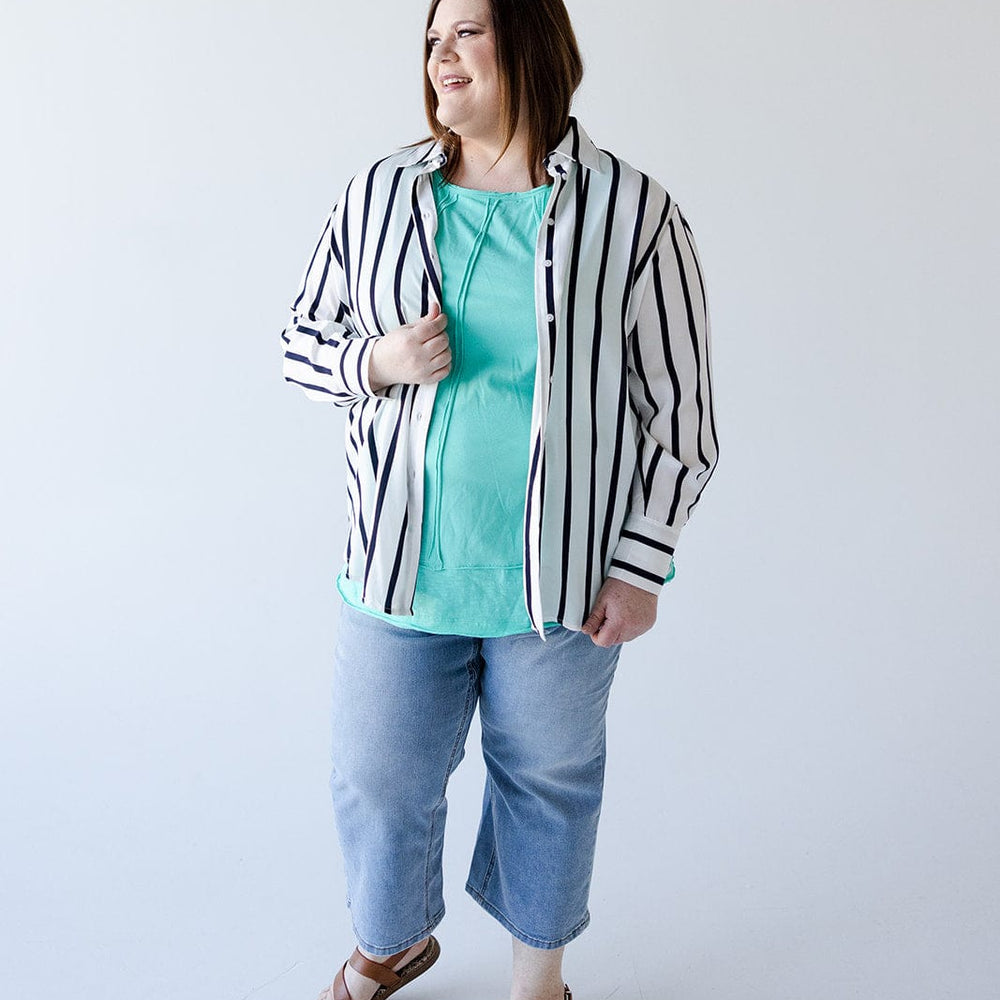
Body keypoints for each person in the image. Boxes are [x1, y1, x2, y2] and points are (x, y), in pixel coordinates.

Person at [279, 1, 719, 998]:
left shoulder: (634, 212)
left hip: (558, 585)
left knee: (549, 786)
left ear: (530, 42)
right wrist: (377, 359)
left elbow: (681, 411)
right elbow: (300, 343)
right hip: (399, 567)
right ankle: (389, 943)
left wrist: (641, 564)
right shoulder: (377, 195)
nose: (440, 52)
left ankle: (539, 984)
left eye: (465, 30)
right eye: (431, 37)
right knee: (377, 777)